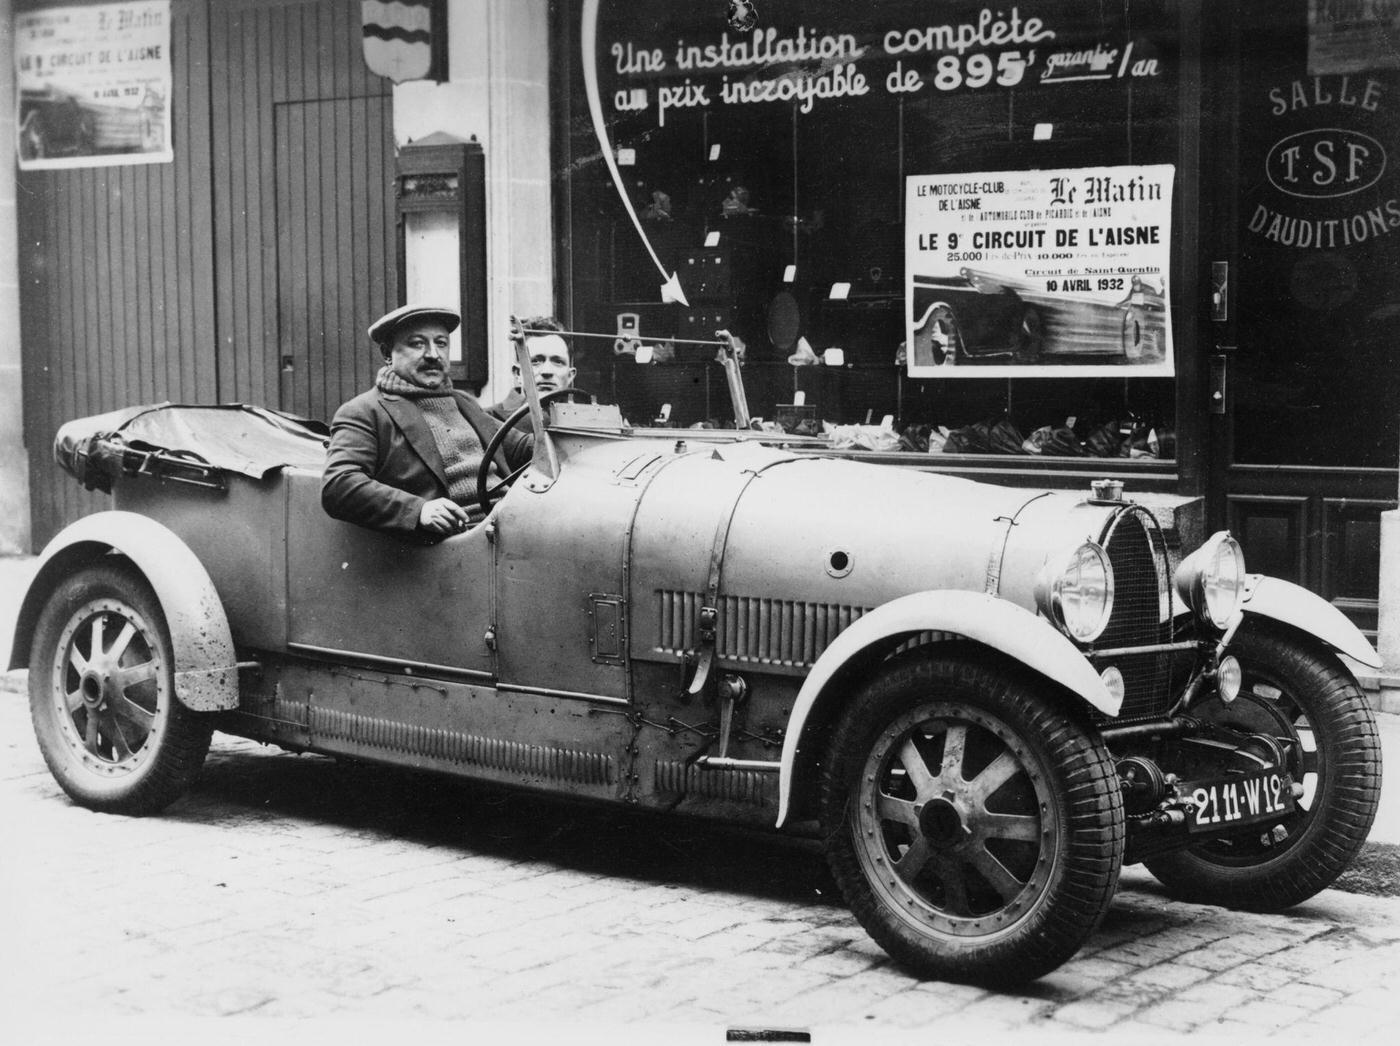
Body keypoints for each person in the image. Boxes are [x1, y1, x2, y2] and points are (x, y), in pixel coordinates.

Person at [322, 304, 532, 538]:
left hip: (511, 526)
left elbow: (523, 447)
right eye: (417, 343)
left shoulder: (465, 403)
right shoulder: (364, 411)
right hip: (458, 544)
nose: (433, 354)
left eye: (441, 343)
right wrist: (418, 510)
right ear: (386, 353)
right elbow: (339, 485)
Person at [487, 316, 577, 427]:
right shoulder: (487, 418)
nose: (547, 371)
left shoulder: (584, 421)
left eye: (557, 362)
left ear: (570, 376)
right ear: (517, 373)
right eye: (536, 361)